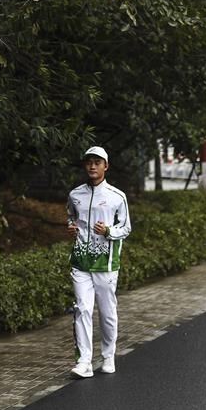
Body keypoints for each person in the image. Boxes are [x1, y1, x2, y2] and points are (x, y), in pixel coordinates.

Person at [66, 146, 132, 378]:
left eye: (97, 162)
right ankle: (84, 362)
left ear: (106, 166)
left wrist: (108, 231)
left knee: (107, 312)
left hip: (106, 263)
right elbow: (71, 217)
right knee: (82, 308)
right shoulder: (75, 195)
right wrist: (71, 227)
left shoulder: (117, 196)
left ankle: (108, 356)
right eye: (89, 162)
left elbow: (126, 228)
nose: (92, 166)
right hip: (80, 262)